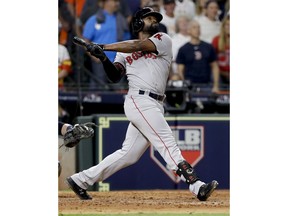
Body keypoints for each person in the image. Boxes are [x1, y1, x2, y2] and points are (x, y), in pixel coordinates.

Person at [66, 6, 218, 201]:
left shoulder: (163, 39)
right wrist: (103, 58)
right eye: (149, 18)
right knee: (166, 142)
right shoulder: (124, 49)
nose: (154, 21)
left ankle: (81, 179)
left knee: (128, 154)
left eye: (155, 18)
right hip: (139, 100)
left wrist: (103, 47)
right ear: (138, 22)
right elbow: (114, 75)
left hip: (154, 103)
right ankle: (196, 185)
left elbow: (137, 45)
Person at [82, 0, 131, 89]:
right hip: (99, 60)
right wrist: (93, 56)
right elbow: (85, 41)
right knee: (98, 90)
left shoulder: (121, 20)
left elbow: (127, 41)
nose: (117, 3)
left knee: (118, 90)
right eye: (114, 1)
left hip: (117, 61)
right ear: (105, 3)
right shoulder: (94, 19)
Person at [176, 19, 220, 93]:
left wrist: (216, 86)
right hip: (190, 86)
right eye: (194, 27)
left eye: (198, 27)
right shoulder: (183, 49)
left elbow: (215, 67)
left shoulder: (208, 47)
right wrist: (185, 85)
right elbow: (180, 70)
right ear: (188, 31)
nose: (197, 30)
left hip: (207, 85)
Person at [211, 14, 229, 85]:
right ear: (223, 26)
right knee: (213, 75)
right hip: (220, 73)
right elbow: (212, 61)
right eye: (227, 25)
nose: (229, 27)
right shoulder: (216, 40)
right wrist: (223, 73)